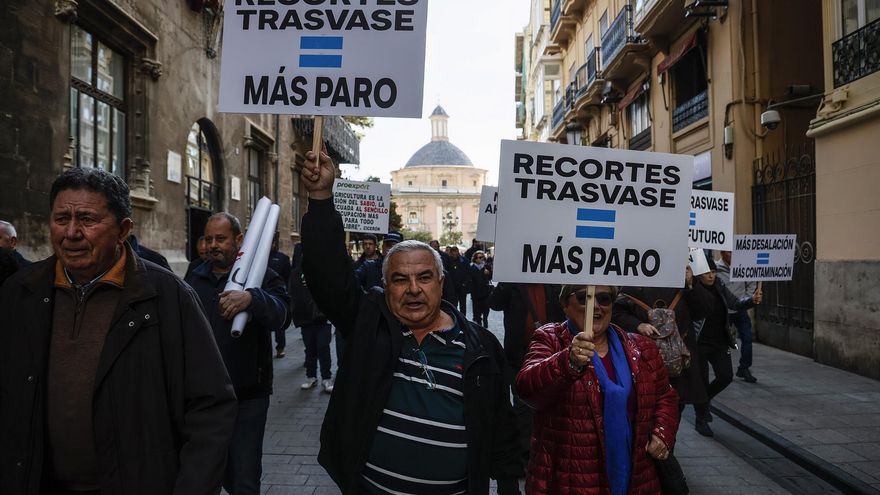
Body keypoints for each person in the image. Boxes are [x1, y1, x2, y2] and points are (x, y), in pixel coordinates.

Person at [0, 167, 237, 494]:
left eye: (87, 219)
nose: (71, 232)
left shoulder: (167, 297)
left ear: (123, 229)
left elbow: (211, 407)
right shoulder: (19, 292)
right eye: (60, 219)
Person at [299, 148, 520, 494]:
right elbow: (326, 273)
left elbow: (502, 428)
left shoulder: (481, 346)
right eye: (400, 279)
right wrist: (321, 198)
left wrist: (509, 485)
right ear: (386, 287)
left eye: (425, 277)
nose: (413, 290)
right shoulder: (368, 325)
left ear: (442, 282)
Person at [516, 285, 679, 495]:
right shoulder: (550, 339)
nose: (596, 306)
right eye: (585, 298)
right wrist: (568, 362)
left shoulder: (642, 347)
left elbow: (665, 395)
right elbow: (528, 389)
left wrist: (662, 432)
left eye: (605, 298)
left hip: (635, 477)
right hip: (570, 479)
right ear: (565, 304)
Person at [185, 212, 289, 495]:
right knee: (206, 476)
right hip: (204, 396)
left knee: (243, 478)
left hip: (247, 395)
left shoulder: (264, 275)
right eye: (209, 239)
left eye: (221, 238)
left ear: (239, 240)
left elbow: (282, 316)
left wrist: (252, 298)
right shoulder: (195, 274)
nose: (213, 245)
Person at [613, 265, 711, 435]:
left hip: (679, 366)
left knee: (673, 415)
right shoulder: (634, 278)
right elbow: (616, 313)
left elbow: (704, 310)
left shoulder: (682, 278)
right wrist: (638, 325)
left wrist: (691, 283)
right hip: (645, 363)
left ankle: (666, 448)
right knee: (647, 415)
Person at [489, 282, 565, 488]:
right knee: (523, 405)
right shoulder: (511, 284)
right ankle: (526, 455)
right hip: (518, 354)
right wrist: (504, 281)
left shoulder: (552, 283)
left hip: (551, 353)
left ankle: (547, 452)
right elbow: (494, 303)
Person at [692, 256, 762, 437]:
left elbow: (734, 303)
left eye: (713, 272)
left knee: (725, 376)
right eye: (707, 273)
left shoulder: (720, 286)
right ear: (699, 274)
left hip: (720, 342)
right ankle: (701, 419)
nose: (711, 276)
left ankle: (703, 401)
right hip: (699, 343)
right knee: (701, 381)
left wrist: (751, 300)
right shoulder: (692, 289)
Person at [290, 242, 334, 393]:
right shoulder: (297, 274)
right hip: (306, 319)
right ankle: (311, 377)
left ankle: (326, 378)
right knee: (310, 349)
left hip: (323, 319)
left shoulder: (324, 271)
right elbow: (294, 295)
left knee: (323, 347)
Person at [716, 250, 759, 383]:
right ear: (722, 253)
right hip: (724, 311)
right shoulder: (716, 269)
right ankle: (722, 369)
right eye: (729, 252)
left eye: (733, 252)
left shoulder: (742, 266)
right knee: (722, 342)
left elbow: (751, 282)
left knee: (747, 338)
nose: (732, 255)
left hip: (739, 309)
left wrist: (746, 299)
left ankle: (744, 368)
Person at [268, 232, 293, 358]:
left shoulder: (282, 258)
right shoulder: (260, 257)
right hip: (264, 292)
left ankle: (280, 347)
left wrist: (287, 292)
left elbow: (289, 276)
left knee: (279, 323)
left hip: (278, 294)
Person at [468, 250, 493, 328]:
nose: (481, 259)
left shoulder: (486, 267)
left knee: (486, 309)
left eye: (482, 257)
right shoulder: (472, 267)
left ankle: (485, 320)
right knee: (477, 311)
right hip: (476, 293)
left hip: (486, 292)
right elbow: (469, 278)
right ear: (475, 259)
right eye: (479, 257)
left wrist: (488, 273)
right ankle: (479, 322)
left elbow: (491, 277)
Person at [446, 245, 470, 314]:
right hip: (452, 287)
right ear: (450, 253)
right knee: (454, 305)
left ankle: (463, 320)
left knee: (463, 305)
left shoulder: (464, 260)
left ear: (458, 252)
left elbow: (468, 273)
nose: (454, 254)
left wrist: (465, 283)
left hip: (462, 287)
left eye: (456, 252)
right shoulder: (448, 261)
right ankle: (456, 318)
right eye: (453, 253)